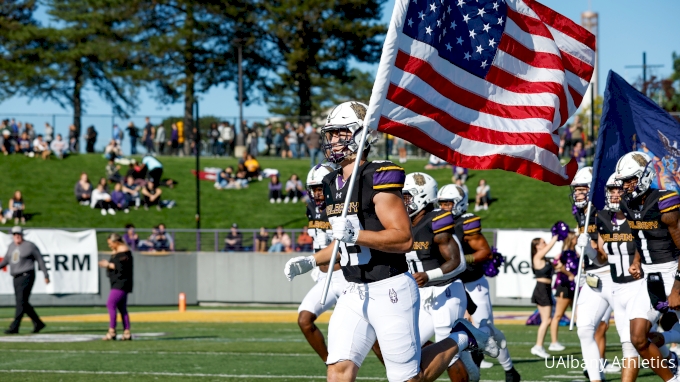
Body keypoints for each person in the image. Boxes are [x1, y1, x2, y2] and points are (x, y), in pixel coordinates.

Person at [284, 101, 499, 382]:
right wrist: (312, 260)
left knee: (410, 378)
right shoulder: (330, 183)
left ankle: (462, 336)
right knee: (338, 372)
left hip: (389, 289)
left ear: (360, 135)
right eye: (331, 134)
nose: (333, 140)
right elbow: (344, 246)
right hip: (352, 291)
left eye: (340, 133)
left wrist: (356, 234)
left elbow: (403, 238)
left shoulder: (378, 176)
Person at [437, 184, 520, 381]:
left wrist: (460, 261)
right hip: (450, 283)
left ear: (460, 204)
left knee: (485, 328)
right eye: (441, 203)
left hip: (473, 282)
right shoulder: (434, 221)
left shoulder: (466, 222)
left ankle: (508, 368)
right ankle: (478, 367)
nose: (444, 208)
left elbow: (485, 252)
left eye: (448, 203)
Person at [403, 173, 478, 382]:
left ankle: (464, 338)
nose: (404, 201)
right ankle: (467, 342)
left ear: (422, 196)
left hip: (447, 290)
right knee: (408, 346)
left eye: (407, 196)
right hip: (424, 295)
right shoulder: (405, 223)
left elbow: (458, 262)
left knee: (447, 350)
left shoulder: (435, 220)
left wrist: (428, 275)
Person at [613, 152, 680, 381]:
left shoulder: (665, 200)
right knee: (638, 337)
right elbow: (640, 235)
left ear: (643, 176)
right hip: (651, 276)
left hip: (673, 269)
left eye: (630, 179)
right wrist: (636, 260)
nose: (626, 185)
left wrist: (677, 287)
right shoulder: (626, 202)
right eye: (624, 181)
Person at [293, 164, 351, 362]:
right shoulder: (311, 208)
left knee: (371, 336)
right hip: (324, 278)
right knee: (305, 320)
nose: (317, 194)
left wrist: (316, 261)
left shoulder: (343, 208)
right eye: (313, 189)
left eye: (320, 188)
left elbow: (345, 249)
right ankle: (330, 364)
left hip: (345, 278)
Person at [592, 173, 642, 381]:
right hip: (616, 287)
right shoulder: (602, 218)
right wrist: (589, 250)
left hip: (638, 285)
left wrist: (637, 261)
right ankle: (669, 359)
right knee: (627, 342)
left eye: (618, 191)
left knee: (638, 340)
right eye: (611, 191)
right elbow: (603, 258)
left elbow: (648, 245)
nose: (614, 195)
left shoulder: (637, 216)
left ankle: (670, 360)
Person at [571, 167, 618, 380]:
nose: (577, 194)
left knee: (635, 338)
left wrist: (589, 250)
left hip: (614, 278)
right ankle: (596, 378)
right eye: (576, 190)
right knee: (584, 330)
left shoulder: (603, 214)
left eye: (582, 190)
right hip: (593, 279)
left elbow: (603, 256)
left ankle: (670, 363)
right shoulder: (584, 214)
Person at [0, 226, 49, 334]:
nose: (17, 236)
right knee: (23, 302)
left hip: (27, 275)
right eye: (15, 234)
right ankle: (38, 323)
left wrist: (46, 275)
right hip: (16, 277)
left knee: (20, 302)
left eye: (19, 234)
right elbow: (6, 261)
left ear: (22, 235)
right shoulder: (11, 246)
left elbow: (40, 260)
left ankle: (15, 326)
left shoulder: (29, 246)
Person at [99, 232, 133, 341]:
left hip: (121, 283)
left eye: (110, 243)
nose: (109, 246)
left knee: (110, 304)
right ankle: (126, 332)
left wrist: (108, 265)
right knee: (122, 308)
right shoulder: (118, 252)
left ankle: (112, 331)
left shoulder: (124, 253)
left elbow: (121, 267)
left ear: (116, 242)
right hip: (118, 282)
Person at [530, 235, 558, 359]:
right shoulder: (537, 256)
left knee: (547, 320)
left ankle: (539, 346)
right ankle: (538, 346)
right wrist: (555, 237)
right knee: (547, 320)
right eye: (543, 242)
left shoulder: (544, 258)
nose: (545, 243)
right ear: (537, 246)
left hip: (546, 289)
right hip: (541, 289)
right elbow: (550, 246)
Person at [550, 233, 577, 353]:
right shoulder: (564, 253)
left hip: (575, 286)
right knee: (558, 315)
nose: (577, 239)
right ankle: (553, 342)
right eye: (575, 238)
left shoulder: (576, 253)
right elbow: (559, 266)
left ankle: (587, 340)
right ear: (571, 240)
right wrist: (570, 275)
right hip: (565, 286)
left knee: (579, 315)